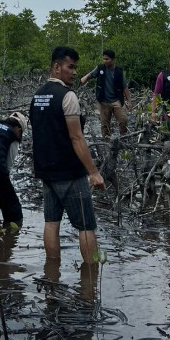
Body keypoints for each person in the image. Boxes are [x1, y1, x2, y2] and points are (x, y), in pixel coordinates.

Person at [30, 46, 105, 264]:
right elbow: (77, 138)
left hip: (46, 171)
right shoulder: (68, 96)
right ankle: (91, 276)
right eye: (70, 67)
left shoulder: (38, 95)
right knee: (86, 225)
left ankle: (51, 273)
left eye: (75, 68)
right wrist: (93, 172)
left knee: (51, 222)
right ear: (56, 67)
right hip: (69, 173)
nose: (74, 72)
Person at [80, 48, 132, 137]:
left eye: (107, 59)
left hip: (116, 100)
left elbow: (125, 87)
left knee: (123, 120)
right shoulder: (100, 68)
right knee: (105, 125)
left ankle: (123, 138)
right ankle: (107, 142)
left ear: (113, 59)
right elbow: (90, 75)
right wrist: (83, 79)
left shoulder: (119, 71)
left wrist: (129, 101)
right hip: (103, 101)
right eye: (104, 59)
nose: (105, 61)